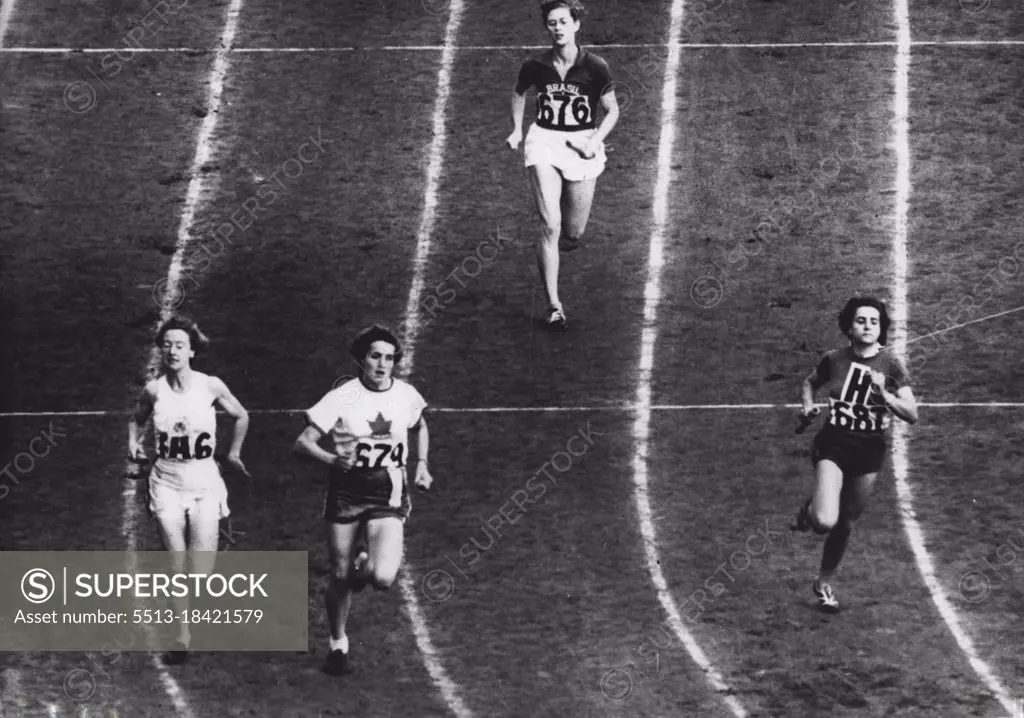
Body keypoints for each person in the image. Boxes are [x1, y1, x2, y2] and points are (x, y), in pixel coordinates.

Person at [293, 324, 433, 676]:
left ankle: (365, 558)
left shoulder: (405, 394)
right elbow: (303, 441)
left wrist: (422, 466)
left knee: (383, 578)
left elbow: (420, 426)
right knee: (340, 575)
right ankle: (338, 642)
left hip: (388, 492)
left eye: (389, 358)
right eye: (375, 356)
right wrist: (331, 460)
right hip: (346, 493)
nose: (383, 364)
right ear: (361, 359)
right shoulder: (342, 397)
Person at [128, 315, 250, 664]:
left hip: (205, 483)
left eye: (180, 345)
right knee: (176, 562)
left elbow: (241, 415)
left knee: (200, 571)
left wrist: (234, 453)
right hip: (166, 482)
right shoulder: (154, 390)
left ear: (192, 351)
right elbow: (137, 418)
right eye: (167, 345)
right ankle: (182, 636)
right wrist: (133, 445)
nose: (172, 350)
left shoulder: (210, 386)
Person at [791, 297, 918, 612]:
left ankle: (823, 583)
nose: (868, 326)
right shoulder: (834, 359)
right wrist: (807, 406)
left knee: (845, 523)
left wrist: (885, 394)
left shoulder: (890, 365)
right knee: (824, 521)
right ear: (849, 326)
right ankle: (810, 512)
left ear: (881, 329)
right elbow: (810, 383)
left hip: (868, 451)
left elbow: (912, 413)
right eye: (861, 320)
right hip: (833, 445)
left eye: (874, 322)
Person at [505, 0, 620, 331]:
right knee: (550, 225)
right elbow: (519, 93)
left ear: (576, 25)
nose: (557, 27)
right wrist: (516, 129)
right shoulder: (535, 65)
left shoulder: (596, 66)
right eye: (551, 22)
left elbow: (612, 110)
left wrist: (594, 141)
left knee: (572, 233)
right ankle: (554, 306)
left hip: (582, 146)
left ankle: (561, 242)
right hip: (544, 142)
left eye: (562, 22)